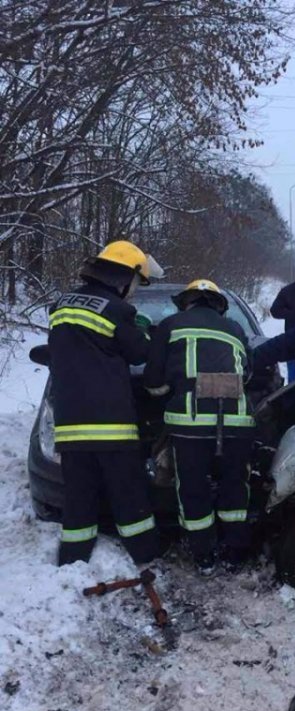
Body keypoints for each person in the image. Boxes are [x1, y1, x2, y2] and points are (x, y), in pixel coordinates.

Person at [48, 240, 164, 566]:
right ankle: (145, 552)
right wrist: (140, 327)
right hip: (111, 424)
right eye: (136, 283)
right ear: (122, 277)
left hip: (71, 425)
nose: (134, 292)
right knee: (128, 494)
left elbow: (65, 352)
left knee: (79, 497)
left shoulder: (61, 304)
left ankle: (73, 559)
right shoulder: (117, 310)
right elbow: (140, 353)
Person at [144, 280, 254, 572]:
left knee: (192, 487)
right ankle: (235, 551)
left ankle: (203, 554)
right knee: (235, 485)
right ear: (218, 305)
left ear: (186, 302)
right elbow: (250, 373)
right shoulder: (236, 329)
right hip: (237, 421)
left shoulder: (170, 325)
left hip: (189, 424)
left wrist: (168, 395)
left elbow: (153, 381)